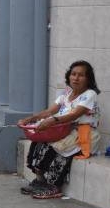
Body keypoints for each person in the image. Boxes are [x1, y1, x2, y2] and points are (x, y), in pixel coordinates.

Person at [18, 60, 102, 199]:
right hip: (64, 130)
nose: (76, 78)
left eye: (81, 75)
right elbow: (49, 111)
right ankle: (40, 181)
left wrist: (53, 120)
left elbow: (75, 114)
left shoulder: (90, 94)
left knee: (57, 149)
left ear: (88, 79)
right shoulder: (66, 93)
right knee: (39, 142)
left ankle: (54, 186)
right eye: (73, 74)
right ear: (69, 76)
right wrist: (30, 119)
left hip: (83, 134)